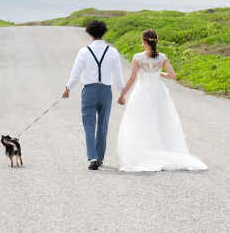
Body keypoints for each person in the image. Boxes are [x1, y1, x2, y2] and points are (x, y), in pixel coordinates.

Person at [116, 28, 207, 171]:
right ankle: (163, 148)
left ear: (143, 41)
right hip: (159, 92)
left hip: (142, 92)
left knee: (143, 120)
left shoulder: (137, 57)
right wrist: (158, 74)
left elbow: (132, 78)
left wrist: (123, 95)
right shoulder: (162, 57)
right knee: (160, 119)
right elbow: (172, 75)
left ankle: (148, 149)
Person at [62, 20, 124, 170]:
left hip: (89, 90)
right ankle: (100, 157)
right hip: (106, 91)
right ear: (104, 33)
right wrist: (122, 94)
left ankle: (93, 158)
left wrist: (67, 88)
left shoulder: (84, 52)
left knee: (89, 125)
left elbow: (75, 74)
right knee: (103, 124)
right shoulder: (113, 51)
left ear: (90, 34)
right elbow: (118, 76)